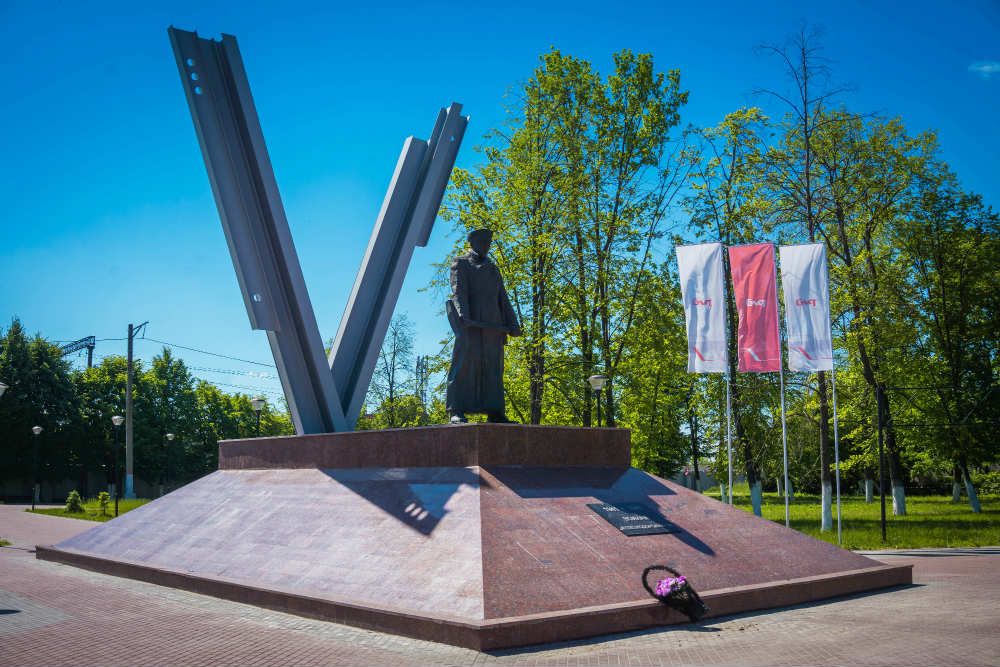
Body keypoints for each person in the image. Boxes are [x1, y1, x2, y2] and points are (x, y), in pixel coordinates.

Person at [446, 228, 522, 423]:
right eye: (484, 242)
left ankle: (495, 410)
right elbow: (458, 291)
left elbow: (502, 297)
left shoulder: (492, 268)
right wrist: (463, 315)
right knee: (463, 365)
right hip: (471, 324)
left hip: (493, 325)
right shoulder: (461, 263)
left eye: (489, 242)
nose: (487, 245)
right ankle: (456, 409)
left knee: (493, 368)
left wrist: (513, 323)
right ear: (473, 242)